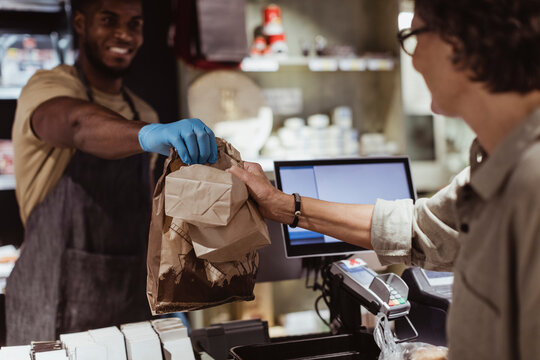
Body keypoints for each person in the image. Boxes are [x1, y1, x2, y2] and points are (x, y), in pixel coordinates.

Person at [229, 0, 540, 359]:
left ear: (458, 41)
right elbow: (417, 227)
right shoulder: (493, 166)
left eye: (413, 36)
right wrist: (282, 205)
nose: (414, 58)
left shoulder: (529, 183)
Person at [7, 0, 217, 345]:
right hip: (49, 296)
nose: (124, 34)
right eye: (108, 20)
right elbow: (77, 124)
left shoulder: (142, 109)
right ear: (80, 23)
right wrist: (146, 135)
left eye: (134, 24)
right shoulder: (47, 86)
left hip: (130, 296)